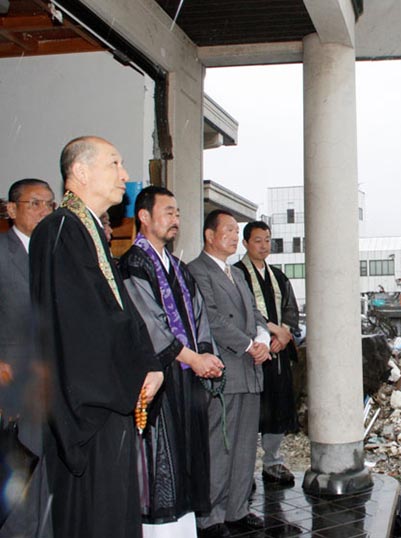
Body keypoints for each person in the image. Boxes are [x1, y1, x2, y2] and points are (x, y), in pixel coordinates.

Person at [29, 136, 164, 538]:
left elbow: (119, 310)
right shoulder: (60, 230)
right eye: (114, 163)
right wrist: (138, 368)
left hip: (109, 398)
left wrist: (150, 363)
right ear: (81, 172)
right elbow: (82, 324)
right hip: (89, 406)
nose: (125, 174)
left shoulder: (86, 228)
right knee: (95, 519)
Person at [119, 186, 225, 537]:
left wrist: (206, 355)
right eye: (168, 212)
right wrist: (193, 358)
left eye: (178, 213)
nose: (175, 219)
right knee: (161, 467)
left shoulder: (178, 267)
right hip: (158, 380)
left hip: (187, 379)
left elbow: (199, 315)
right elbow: (149, 324)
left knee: (188, 464)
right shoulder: (133, 264)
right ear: (144, 216)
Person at [188, 210, 271, 538]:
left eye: (238, 231)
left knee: (245, 446)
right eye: (230, 231)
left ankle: (237, 509)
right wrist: (249, 344)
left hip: (250, 371)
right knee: (219, 446)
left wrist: (263, 339)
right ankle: (211, 516)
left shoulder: (236, 273)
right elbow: (210, 317)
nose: (236, 237)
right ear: (210, 235)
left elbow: (255, 313)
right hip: (223, 372)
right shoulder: (197, 271)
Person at [0, 178, 55, 537]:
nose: (43, 211)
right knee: (18, 471)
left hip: (53, 382)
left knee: (48, 473)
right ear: (11, 209)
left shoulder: (55, 254)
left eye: (49, 204)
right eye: (34, 203)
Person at [234, 221, 300, 487]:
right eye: (258, 240)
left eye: (267, 240)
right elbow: (242, 312)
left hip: (278, 354)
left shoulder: (278, 276)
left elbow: (291, 310)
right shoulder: (237, 274)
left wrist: (284, 335)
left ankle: (272, 462)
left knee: (277, 407)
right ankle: (244, 471)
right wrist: (271, 331)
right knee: (250, 412)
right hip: (252, 352)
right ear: (245, 243)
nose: (264, 246)